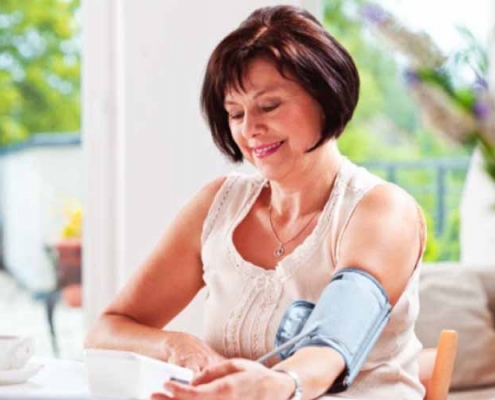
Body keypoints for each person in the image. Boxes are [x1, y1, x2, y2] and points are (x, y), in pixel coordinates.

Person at [85, 5, 427, 400]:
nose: (249, 129)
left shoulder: (381, 210)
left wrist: (278, 385)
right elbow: (107, 329)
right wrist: (177, 345)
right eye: (235, 112)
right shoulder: (219, 206)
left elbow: (332, 342)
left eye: (269, 106)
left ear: (326, 95)